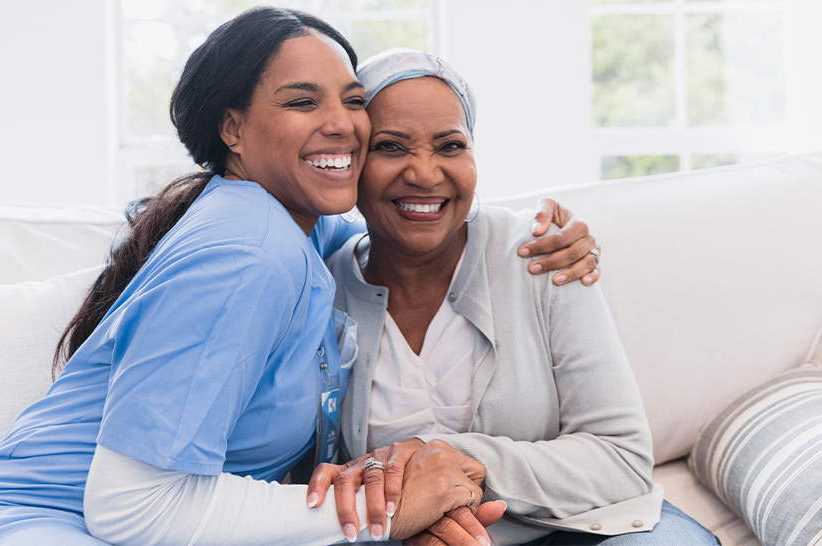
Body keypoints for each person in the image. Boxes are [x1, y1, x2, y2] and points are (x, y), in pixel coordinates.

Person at [0, 8, 599, 546]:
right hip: (34, 528)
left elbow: (402, 220)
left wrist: (525, 237)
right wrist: (383, 511)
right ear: (233, 129)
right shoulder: (249, 251)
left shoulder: (295, 225)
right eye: (303, 103)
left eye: (352, 100)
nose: (342, 125)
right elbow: (130, 505)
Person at [306, 48, 722, 546]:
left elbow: (621, 459)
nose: (424, 173)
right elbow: (310, 475)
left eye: (450, 145)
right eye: (391, 147)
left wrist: (449, 459)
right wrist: (413, 517)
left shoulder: (541, 253)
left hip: (586, 527)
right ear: (352, 161)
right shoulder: (320, 290)